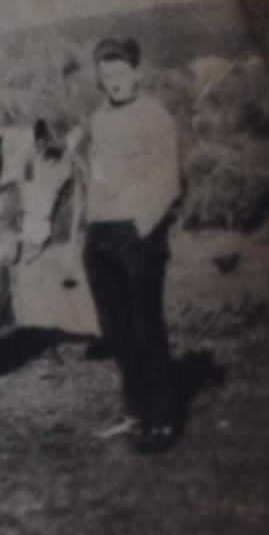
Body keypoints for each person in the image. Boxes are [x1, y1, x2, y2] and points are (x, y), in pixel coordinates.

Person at [72, 37, 184, 453]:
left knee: (144, 326)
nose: (114, 83)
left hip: (138, 236)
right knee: (115, 329)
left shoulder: (155, 116)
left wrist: (137, 225)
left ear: (136, 71)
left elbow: (169, 178)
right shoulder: (99, 119)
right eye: (106, 77)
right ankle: (134, 411)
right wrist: (92, 228)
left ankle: (161, 418)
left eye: (120, 74)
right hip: (100, 237)